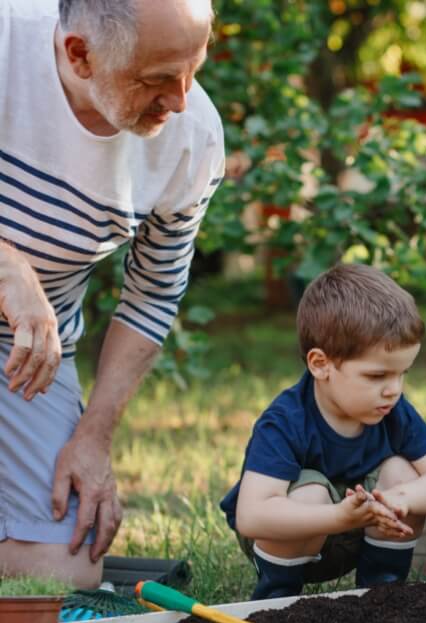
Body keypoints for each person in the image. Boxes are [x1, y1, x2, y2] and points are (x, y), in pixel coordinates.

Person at [0, 0, 224, 588]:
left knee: (66, 571)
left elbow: (152, 296)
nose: (180, 101)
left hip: (23, 358)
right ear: (79, 55)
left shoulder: (192, 137)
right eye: (156, 79)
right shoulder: (6, 45)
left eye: (192, 71)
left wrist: (92, 436)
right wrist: (8, 268)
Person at [220, 264, 426, 600]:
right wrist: (337, 516)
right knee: (311, 492)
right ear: (321, 365)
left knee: (403, 473)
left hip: (357, 530)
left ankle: (382, 595)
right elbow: (252, 516)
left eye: (402, 373)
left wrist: (398, 499)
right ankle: (276, 603)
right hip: (288, 535)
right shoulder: (286, 421)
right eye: (377, 376)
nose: (394, 390)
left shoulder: (393, 411)